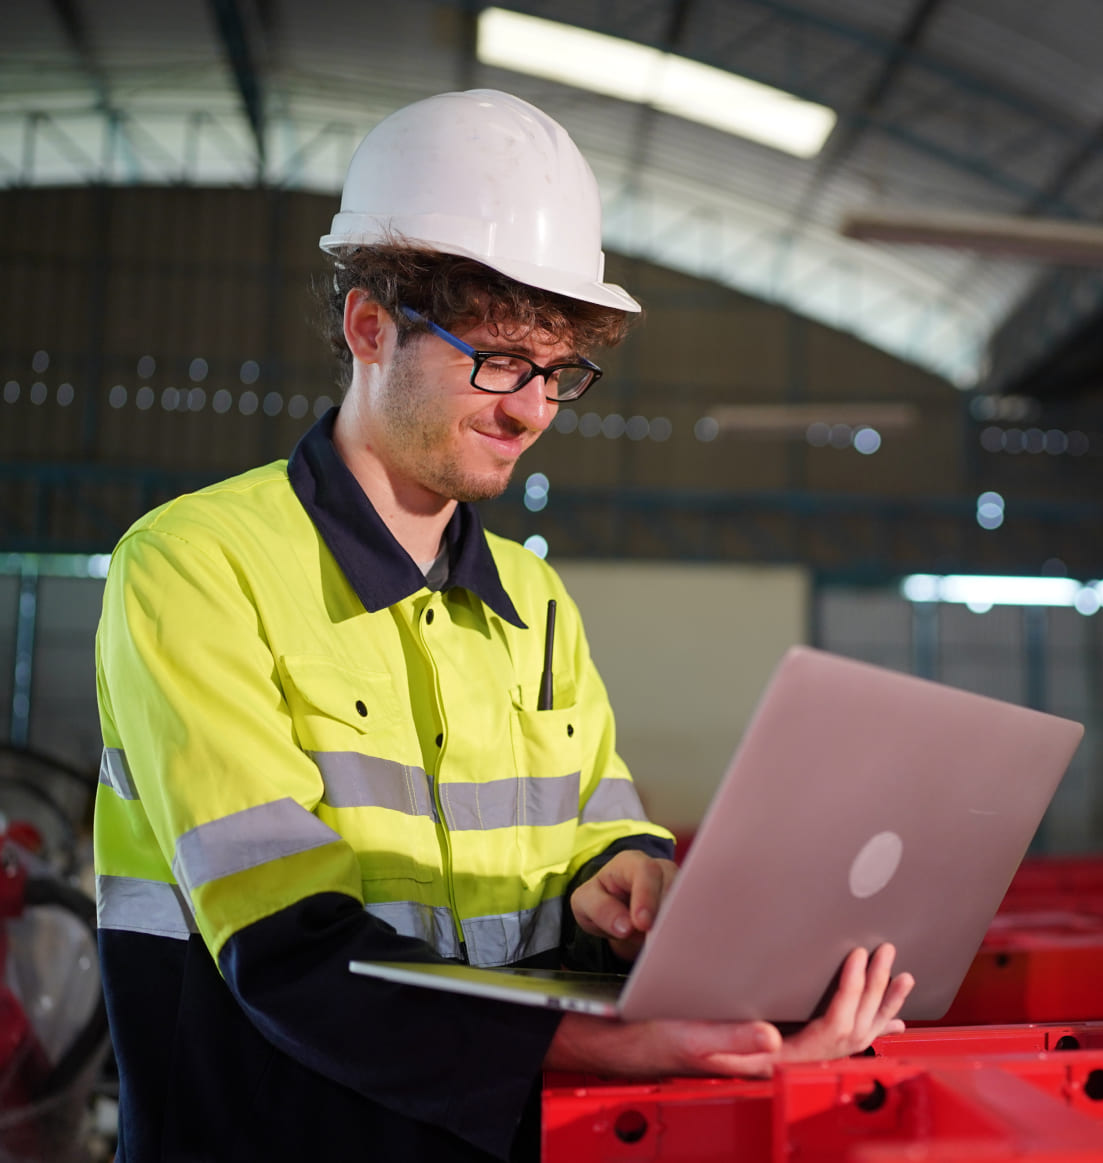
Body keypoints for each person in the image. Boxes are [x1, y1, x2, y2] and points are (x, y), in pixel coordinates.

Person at [92, 90, 911, 1162]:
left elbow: (597, 819)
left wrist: (623, 877)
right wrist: (606, 1044)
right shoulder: (197, 566)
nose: (531, 410)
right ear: (368, 326)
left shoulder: (533, 600)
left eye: (557, 372)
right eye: (496, 361)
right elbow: (285, 944)